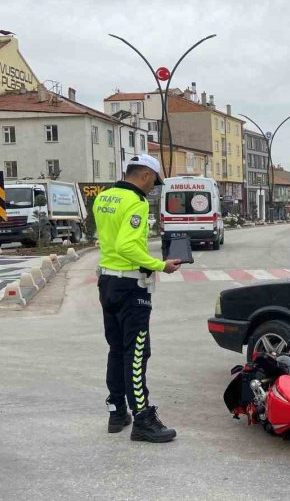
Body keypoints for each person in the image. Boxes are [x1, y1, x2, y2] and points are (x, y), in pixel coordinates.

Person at [93, 154, 181, 443]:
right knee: (137, 352)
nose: (153, 188)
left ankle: (117, 411)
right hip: (132, 287)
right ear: (144, 175)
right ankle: (143, 418)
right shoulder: (136, 202)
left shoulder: (104, 197)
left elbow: (111, 242)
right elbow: (127, 244)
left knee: (116, 349)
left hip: (107, 281)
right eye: (153, 182)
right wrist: (160, 265)